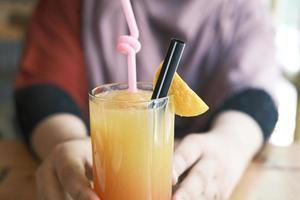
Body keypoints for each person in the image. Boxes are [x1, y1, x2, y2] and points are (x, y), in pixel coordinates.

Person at [15, 0, 279, 199]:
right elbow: (43, 86)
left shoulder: (243, 8)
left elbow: (255, 94)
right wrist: (66, 142)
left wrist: (230, 145)